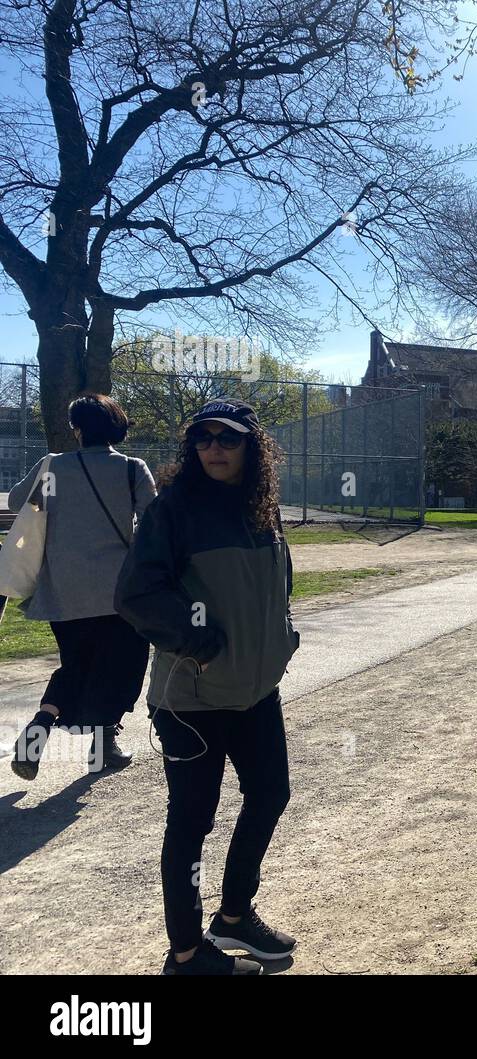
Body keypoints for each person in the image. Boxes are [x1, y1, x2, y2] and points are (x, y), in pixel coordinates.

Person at [115, 399, 300, 976]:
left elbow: (275, 585)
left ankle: (236, 915)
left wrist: (282, 636)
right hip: (191, 700)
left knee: (270, 795)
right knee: (191, 822)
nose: (214, 447)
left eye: (228, 438)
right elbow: (135, 595)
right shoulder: (175, 508)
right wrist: (196, 643)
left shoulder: (260, 507)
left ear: (253, 447)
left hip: (254, 692)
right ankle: (187, 953)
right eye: (202, 438)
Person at [9, 393, 156, 780]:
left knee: (76, 665)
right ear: (116, 427)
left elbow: (16, 500)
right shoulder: (131, 469)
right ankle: (103, 746)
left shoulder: (53, 467)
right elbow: (153, 524)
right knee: (123, 668)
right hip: (119, 592)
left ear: (76, 430)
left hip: (64, 591)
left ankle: (42, 724)